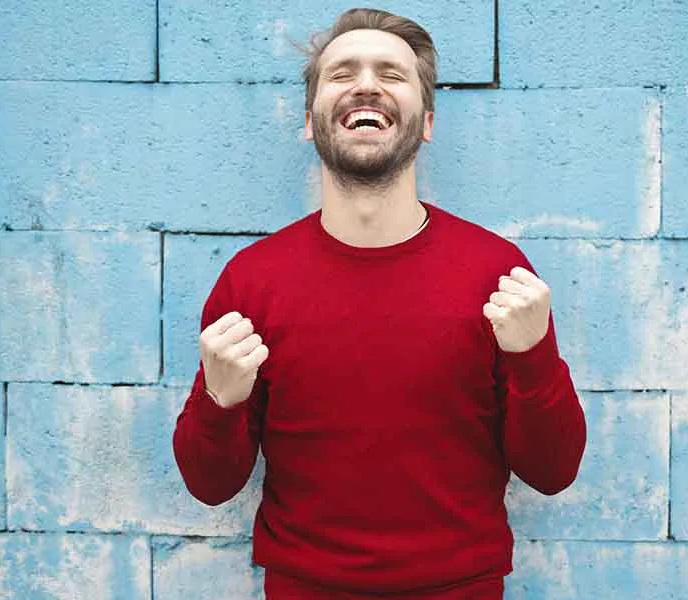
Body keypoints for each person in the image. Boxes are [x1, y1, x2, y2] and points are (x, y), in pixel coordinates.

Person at [172, 8, 586, 599]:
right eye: (342, 73)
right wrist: (220, 402)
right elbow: (210, 486)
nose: (366, 83)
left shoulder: (498, 274)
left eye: (391, 73)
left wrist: (534, 356)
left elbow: (553, 472)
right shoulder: (251, 282)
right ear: (311, 123)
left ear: (427, 122)